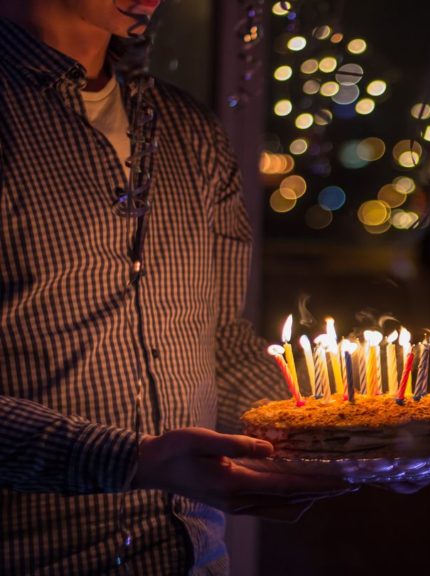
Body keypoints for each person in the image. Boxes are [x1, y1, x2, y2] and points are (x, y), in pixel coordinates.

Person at [0, 2, 352, 573]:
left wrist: (344, 435)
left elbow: (222, 349)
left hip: (194, 557)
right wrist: (134, 461)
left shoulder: (187, 129)